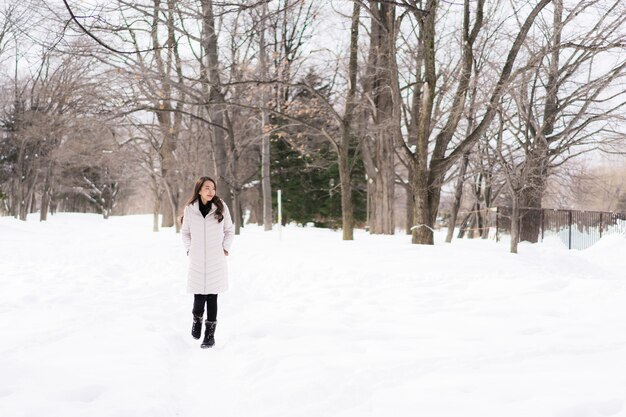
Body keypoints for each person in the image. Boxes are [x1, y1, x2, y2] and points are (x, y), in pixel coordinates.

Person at [181, 176, 234, 348]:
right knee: (199, 295)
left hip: (215, 258)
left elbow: (229, 230)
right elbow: (185, 233)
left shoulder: (221, 207)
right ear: (199, 190)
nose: (211, 192)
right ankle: (197, 320)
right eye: (207, 188)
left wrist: (225, 248)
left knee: (212, 296)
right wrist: (189, 249)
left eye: (213, 188)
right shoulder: (190, 209)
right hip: (196, 258)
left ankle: (209, 336)